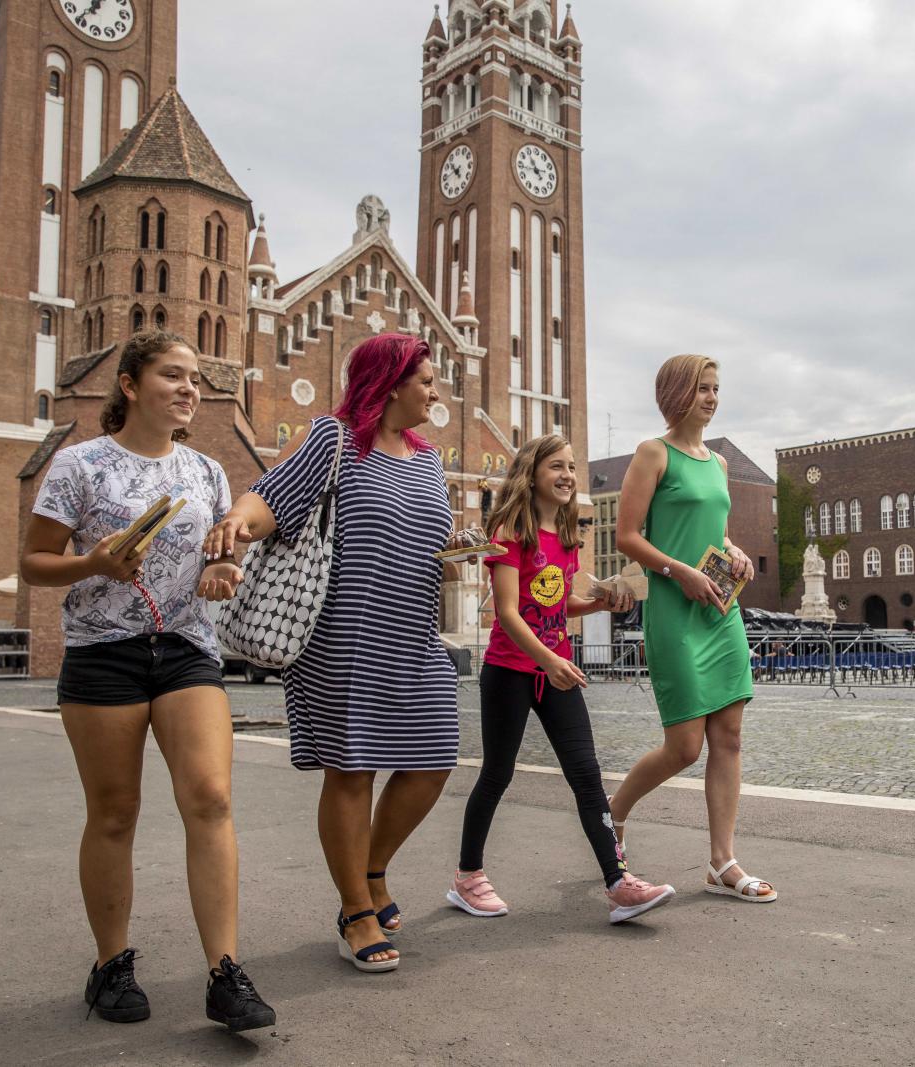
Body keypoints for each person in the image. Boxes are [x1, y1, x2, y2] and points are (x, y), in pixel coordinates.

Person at [20, 329, 276, 1031]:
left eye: (194, 377)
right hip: (104, 651)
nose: (190, 387)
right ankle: (110, 964)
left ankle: (225, 972)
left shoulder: (207, 472)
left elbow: (220, 564)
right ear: (131, 384)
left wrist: (223, 571)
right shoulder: (79, 465)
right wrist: (92, 565)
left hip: (187, 647)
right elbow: (34, 563)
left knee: (211, 797)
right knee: (115, 812)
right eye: (173, 374)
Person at [202, 333, 457, 973]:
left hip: (414, 635)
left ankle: (371, 868)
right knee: (352, 771)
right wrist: (237, 524)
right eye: (425, 380)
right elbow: (272, 497)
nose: (435, 391)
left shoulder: (429, 462)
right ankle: (355, 909)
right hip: (340, 636)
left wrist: (457, 559)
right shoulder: (334, 440)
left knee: (433, 758)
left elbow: (429, 541)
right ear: (391, 382)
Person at [450, 434, 675, 924]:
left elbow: (555, 604)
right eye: (557, 465)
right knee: (496, 774)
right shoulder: (510, 529)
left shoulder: (569, 536)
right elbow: (508, 614)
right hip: (511, 671)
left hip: (558, 671)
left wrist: (600, 601)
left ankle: (618, 884)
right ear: (532, 473)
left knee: (587, 776)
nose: (568, 475)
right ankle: (468, 877)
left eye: (572, 466)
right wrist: (547, 660)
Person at [607, 355, 776, 903]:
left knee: (728, 737)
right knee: (683, 747)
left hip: (720, 610)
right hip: (674, 609)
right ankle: (612, 814)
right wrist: (675, 571)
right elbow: (626, 535)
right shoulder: (653, 454)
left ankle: (722, 863)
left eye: (715, 388)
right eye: (702, 388)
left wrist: (737, 553)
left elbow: (716, 534)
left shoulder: (719, 463)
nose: (712, 397)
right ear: (677, 392)